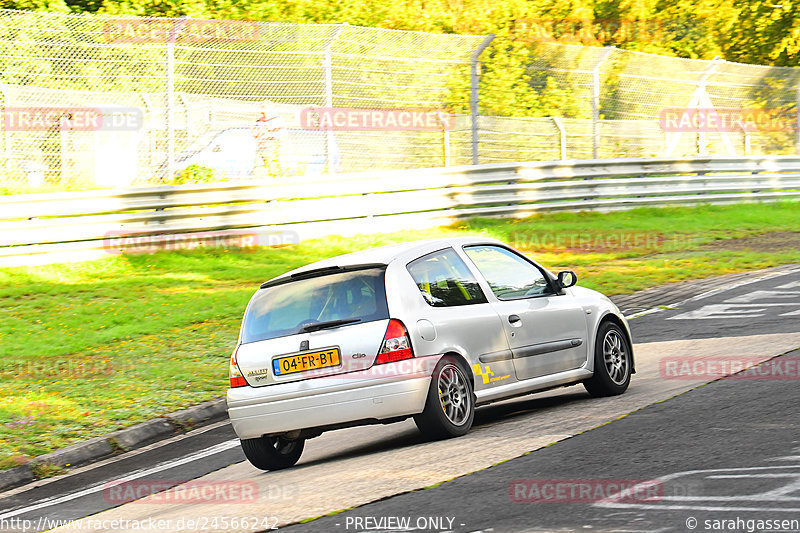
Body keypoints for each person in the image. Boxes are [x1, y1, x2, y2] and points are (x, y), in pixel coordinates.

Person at [252, 100, 287, 176]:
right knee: (258, 168)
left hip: (271, 148)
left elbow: (283, 136)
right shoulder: (259, 121)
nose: (261, 109)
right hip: (261, 148)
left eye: (263, 107)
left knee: (273, 169)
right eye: (261, 107)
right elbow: (255, 133)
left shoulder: (277, 119)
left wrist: (269, 135)